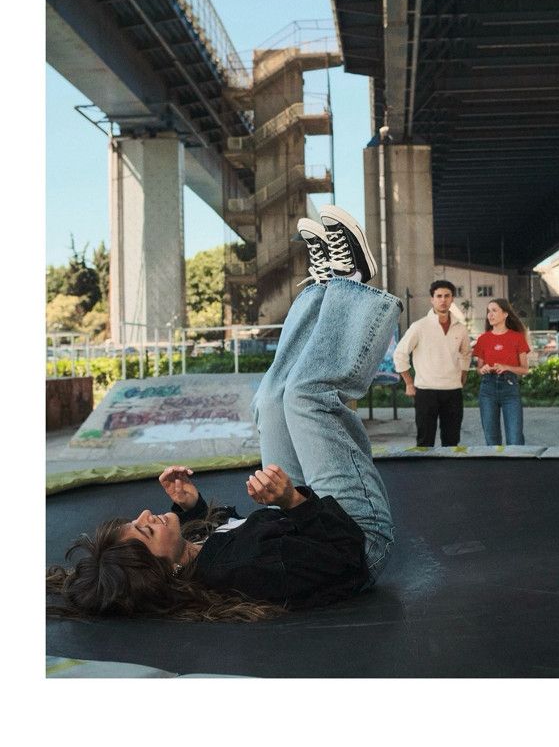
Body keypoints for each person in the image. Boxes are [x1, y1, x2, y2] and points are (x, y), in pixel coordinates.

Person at [47, 205, 402, 621]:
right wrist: (292, 501)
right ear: (162, 570)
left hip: (300, 522)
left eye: (134, 520)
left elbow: (234, 532)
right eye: (145, 530)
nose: (144, 515)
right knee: (306, 397)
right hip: (357, 536)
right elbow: (342, 556)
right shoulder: (244, 572)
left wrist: (194, 508)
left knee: (270, 399)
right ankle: (351, 284)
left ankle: (324, 289)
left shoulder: (197, 557)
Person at [393, 280, 471, 447]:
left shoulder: (460, 328)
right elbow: (400, 354)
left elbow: (466, 353)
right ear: (432, 299)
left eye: (447, 296)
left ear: (452, 299)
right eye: (439, 296)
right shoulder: (419, 326)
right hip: (426, 390)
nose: (443, 300)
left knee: (452, 441)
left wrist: (463, 374)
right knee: (425, 441)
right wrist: (409, 383)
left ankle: (449, 466)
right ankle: (424, 465)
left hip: (453, 390)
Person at [472, 298, 531, 446]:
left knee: (515, 439)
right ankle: (495, 462)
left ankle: (516, 462)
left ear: (505, 314)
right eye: (488, 311)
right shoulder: (483, 339)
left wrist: (507, 367)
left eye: (494, 310)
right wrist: (483, 369)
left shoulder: (517, 338)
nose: (490, 314)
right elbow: (479, 369)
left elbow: (525, 369)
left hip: (510, 388)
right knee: (492, 440)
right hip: (487, 389)